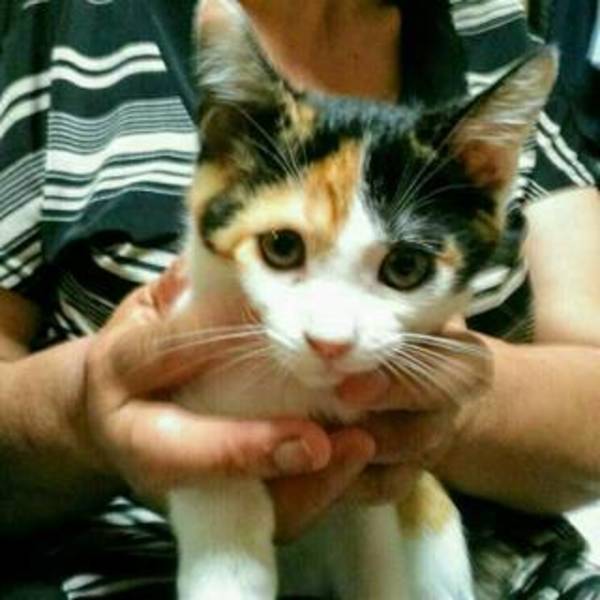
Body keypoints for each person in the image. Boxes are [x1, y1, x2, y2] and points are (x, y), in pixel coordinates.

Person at [0, 0, 599, 597]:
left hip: (500, 562)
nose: (331, 335)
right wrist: (87, 411)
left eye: (404, 267)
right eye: (284, 248)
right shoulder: (64, 29)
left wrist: (438, 403)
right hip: (123, 565)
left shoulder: (493, 27)